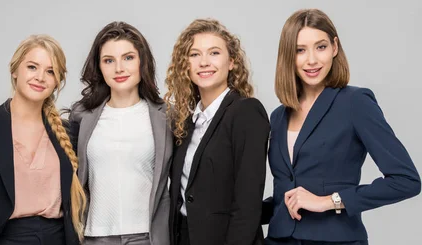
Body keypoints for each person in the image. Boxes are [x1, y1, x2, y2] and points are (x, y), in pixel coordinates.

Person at [262, 8, 421, 245]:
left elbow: (406, 180)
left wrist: (329, 201)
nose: (312, 60)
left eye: (321, 47)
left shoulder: (355, 103)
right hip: (279, 241)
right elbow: (285, 195)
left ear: (335, 47)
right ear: (288, 56)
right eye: (300, 50)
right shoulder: (278, 116)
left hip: (335, 240)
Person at [0, 34, 86, 245]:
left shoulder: (68, 132)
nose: (40, 77)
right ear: (15, 70)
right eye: (32, 67)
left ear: (57, 82)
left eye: (50, 71)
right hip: (5, 238)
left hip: (59, 239)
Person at [165, 18, 270, 245]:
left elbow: (247, 204)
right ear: (186, 65)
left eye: (214, 53)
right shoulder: (185, 121)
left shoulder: (246, 112)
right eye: (194, 55)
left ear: (231, 62)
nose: (204, 62)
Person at [68, 21, 172, 245]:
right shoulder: (81, 116)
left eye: (128, 57)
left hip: (148, 237)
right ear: (99, 67)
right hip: (94, 236)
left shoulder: (166, 117)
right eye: (109, 60)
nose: (119, 68)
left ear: (142, 61)